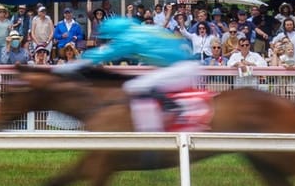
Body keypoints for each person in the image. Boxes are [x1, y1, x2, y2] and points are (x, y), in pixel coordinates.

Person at [54, 15, 202, 132]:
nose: (110, 40)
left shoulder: (130, 37)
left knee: (135, 86)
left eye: (110, 37)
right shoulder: (141, 30)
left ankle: (174, 110)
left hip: (182, 68)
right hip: (183, 65)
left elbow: (105, 53)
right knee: (142, 83)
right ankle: (167, 110)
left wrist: (74, 64)